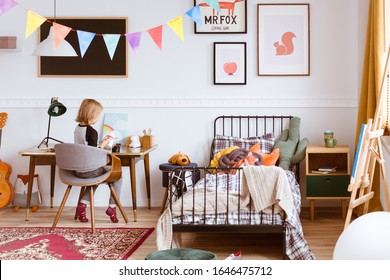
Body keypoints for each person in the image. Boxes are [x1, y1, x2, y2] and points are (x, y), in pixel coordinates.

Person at [73, 98, 122, 223]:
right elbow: (94, 153)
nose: (98, 118)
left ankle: (82, 205)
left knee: (96, 177)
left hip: (78, 170)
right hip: (89, 169)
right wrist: (105, 144)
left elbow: (87, 148)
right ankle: (112, 207)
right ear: (92, 114)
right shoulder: (92, 131)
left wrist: (99, 145)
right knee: (117, 175)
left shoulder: (77, 129)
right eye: (98, 115)